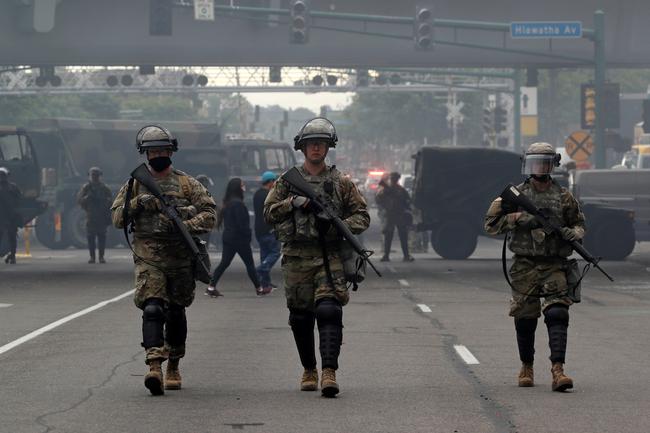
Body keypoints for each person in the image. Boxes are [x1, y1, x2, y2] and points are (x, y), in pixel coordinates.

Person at [264, 117, 370, 397]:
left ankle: (329, 371)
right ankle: (309, 369)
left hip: (329, 256)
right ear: (302, 148)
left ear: (328, 148)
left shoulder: (341, 183)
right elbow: (268, 214)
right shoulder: (287, 182)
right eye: (311, 144)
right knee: (300, 318)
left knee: (329, 310)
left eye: (321, 145)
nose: (316, 149)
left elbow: (362, 216)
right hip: (297, 257)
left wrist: (337, 225)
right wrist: (292, 202)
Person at [111, 125, 216, 396]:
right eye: (152, 151)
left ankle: (174, 365)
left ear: (171, 151)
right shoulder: (134, 184)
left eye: (162, 150)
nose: (157, 154)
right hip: (149, 256)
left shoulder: (187, 184)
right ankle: (154, 365)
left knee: (177, 313)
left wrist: (187, 223)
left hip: (180, 257)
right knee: (153, 308)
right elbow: (116, 219)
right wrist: (138, 203)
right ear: (145, 154)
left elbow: (211, 214)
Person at [484, 142, 585, 392]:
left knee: (557, 313)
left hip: (554, 264)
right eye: (535, 163)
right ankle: (526, 367)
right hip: (525, 265)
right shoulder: (515, 195)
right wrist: (518, 218)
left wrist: (573, 234)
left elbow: (580, 223)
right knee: (525, 319)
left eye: (544, 163)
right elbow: (491, 224)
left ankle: (558, 370)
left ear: (553, 165)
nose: (539, 168)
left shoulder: (564, 196)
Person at [206, 178, 268, 298]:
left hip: (229, 237)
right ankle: (259, 288)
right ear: (238, 188)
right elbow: (242, 224)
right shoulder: (238, 204)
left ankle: (211, 287)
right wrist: (248, 236)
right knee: (249, 264)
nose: (244, 187)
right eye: (242, 185)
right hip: (240, 239)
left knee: (224, 263)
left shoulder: (228, 202)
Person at [77, 166, 113, 264]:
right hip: (91, 215)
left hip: (101, 215)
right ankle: (92, 257)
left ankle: (101, 257)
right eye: (93, 175)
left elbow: (111, 201)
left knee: (102, 238)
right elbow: (80, 200)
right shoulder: (86, 188)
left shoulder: (104, 188)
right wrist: (87, 198)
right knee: (90, 238)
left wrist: (106, 204)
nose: (94, 177)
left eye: (96, 175)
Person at [375, 171, 414, 262]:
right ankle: (391, 255)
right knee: (391, 236)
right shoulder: (390, 189)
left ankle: (403, 255)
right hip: (392, 214)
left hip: (397, 214)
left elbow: (407, 201)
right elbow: (379, 199)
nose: (393, 180)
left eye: (393, 178)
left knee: (400, 236)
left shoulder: (398, 190)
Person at [254, 171, 281, 292]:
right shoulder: (268, 195)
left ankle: (265, 284)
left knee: (264, 254)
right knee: (275, 252)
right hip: (268, 228)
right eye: (274, 181)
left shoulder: (257, 194)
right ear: (270, 182)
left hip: (258, 229)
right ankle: (262, 268)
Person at [0, 167, 22, 264]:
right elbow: (19, 200)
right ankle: (12, 256)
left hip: (3, 216)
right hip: (12, 216)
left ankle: (12, 256)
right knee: (12, 236)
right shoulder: (13, 187)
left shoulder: (12, 187)